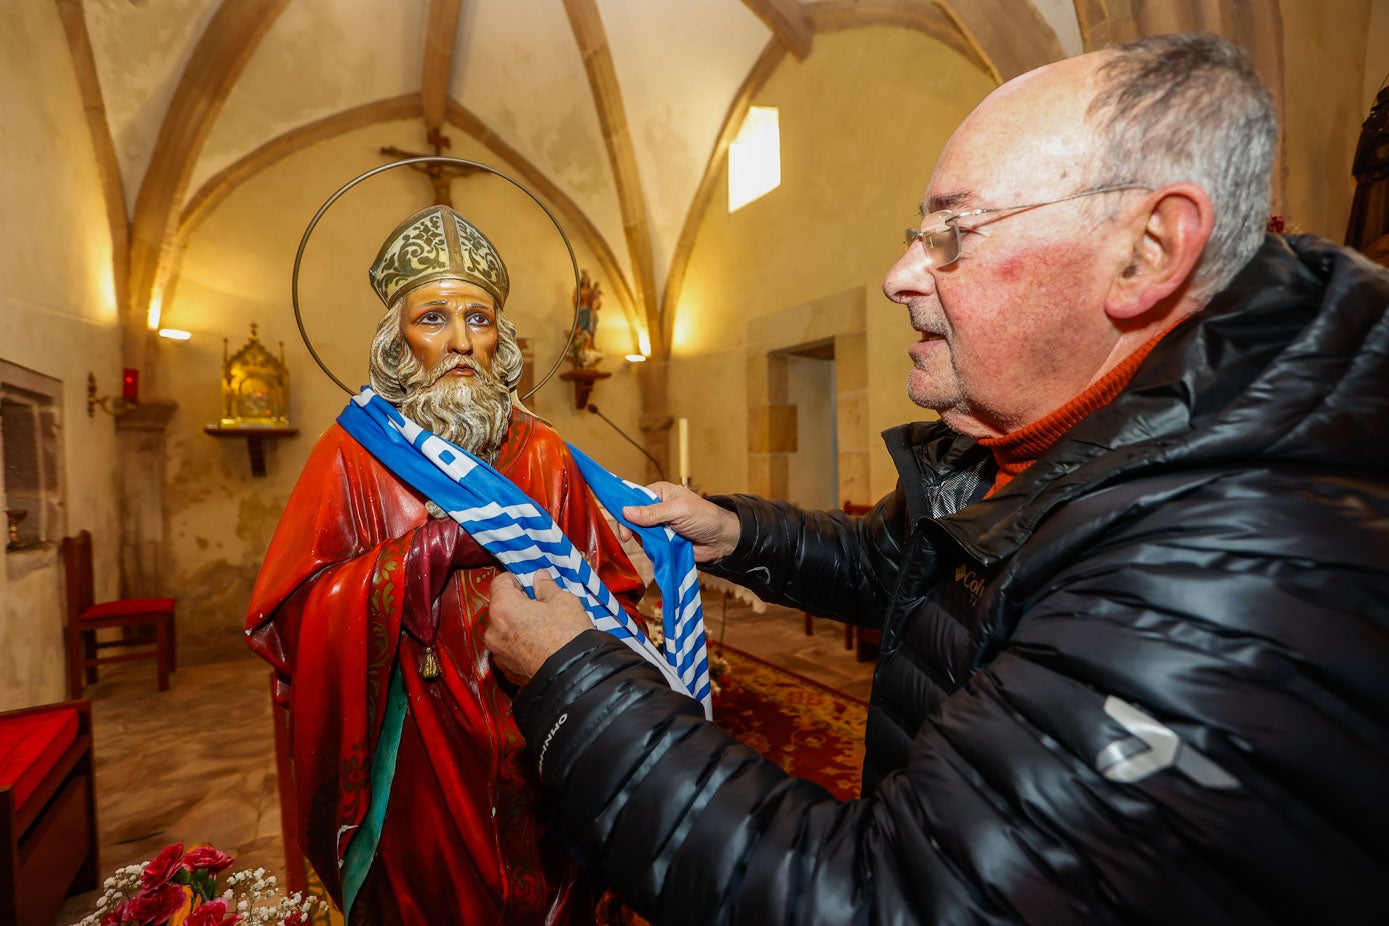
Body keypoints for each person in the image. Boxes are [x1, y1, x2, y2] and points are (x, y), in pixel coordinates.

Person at [482, 33, 1389, 923]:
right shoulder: (1040, 437)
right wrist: (733, 531)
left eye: (953, 232)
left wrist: (572, 676)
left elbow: (881, 897)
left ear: (1149, 249)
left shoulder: (1218, 570)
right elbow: (894, 565)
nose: (898, 275)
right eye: (917, 234)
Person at [245, 204, 643, 924]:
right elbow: (296, 609)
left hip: (538, 720)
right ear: (398, 339)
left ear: (502, 338)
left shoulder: (542, 451)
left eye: (480, 319)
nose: (460, 340)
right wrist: (431, 551)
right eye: (433, 319)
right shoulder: (355, 453)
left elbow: (610, 588)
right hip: (416, 739)